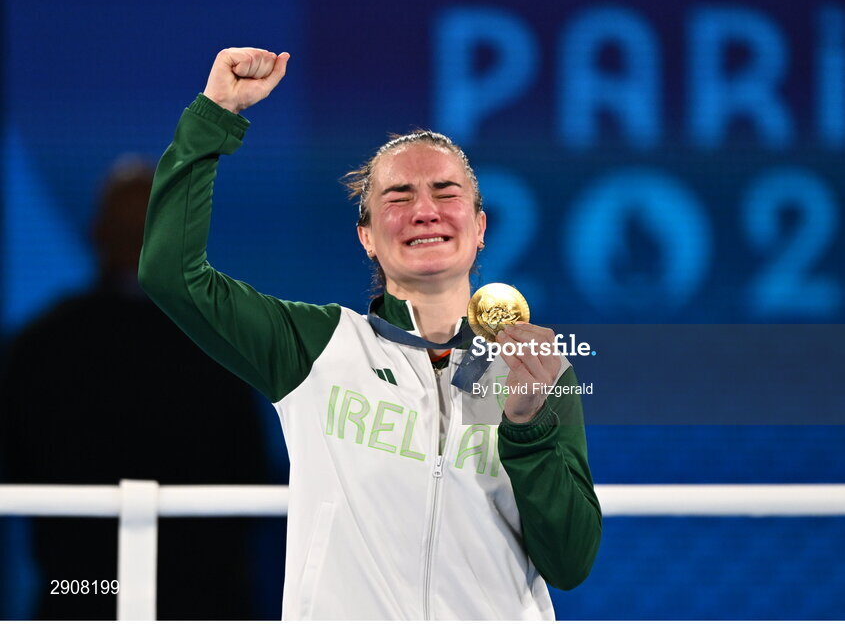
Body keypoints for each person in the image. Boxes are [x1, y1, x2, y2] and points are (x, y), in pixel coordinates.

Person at [139, 47, 601, 619]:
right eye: (398, 197)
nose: (425, 211)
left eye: (446, 193)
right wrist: (215, 115)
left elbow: (571, 562)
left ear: (479, 227)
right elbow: (171, 275)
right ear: (367, 236)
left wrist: (528, 430)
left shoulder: (538, 370)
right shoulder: (313, 347)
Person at [0, 159, 271, 620]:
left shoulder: (39, 343)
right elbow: (254, 468)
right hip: (119, 590)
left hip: (101, 591)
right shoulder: (222, 337)